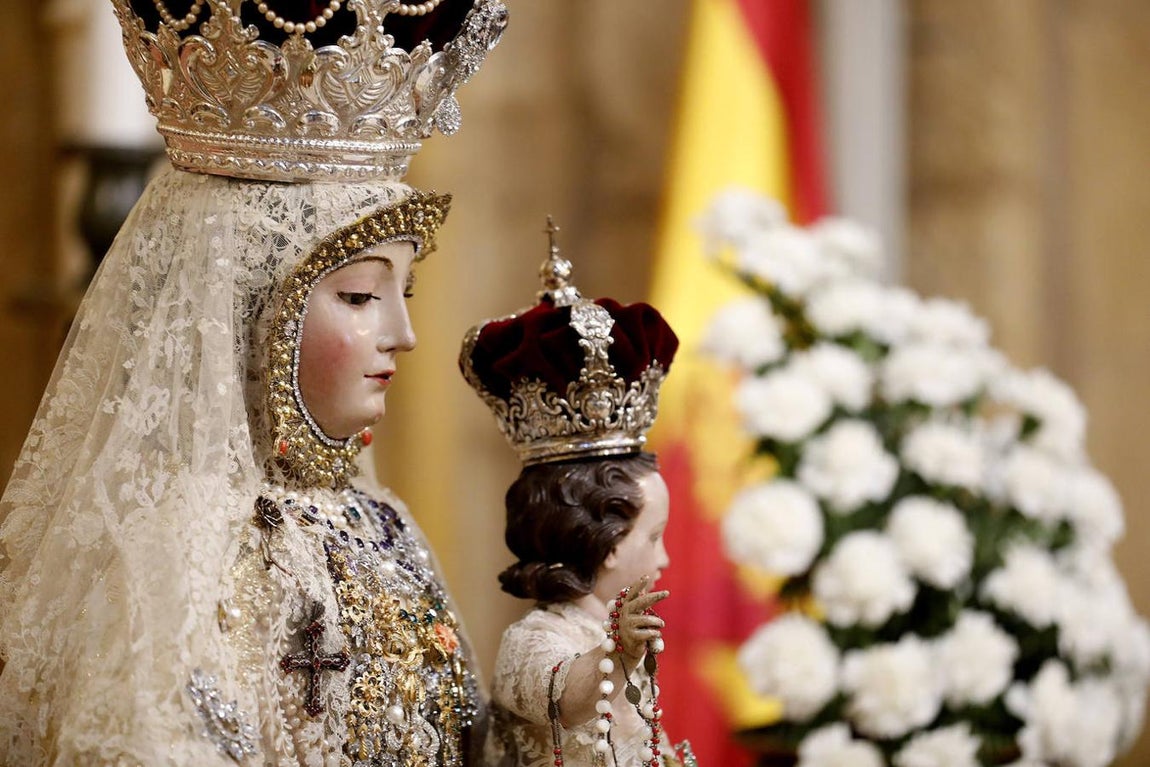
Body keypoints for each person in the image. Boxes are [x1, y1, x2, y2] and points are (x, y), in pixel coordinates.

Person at [0, 1, 505, 764]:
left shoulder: (383, 524)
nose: (402, 334)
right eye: (363, 297)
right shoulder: (177, 559)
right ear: (249, 311)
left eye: (408, 294)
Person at [459, 224, 697, 767]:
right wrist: (619, 650)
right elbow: (567, 695)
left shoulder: (602, 626)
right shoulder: (534, 639)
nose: (663, 557)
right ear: (608, 541)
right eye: (653, 536)